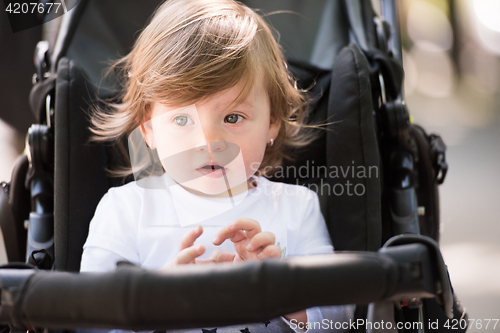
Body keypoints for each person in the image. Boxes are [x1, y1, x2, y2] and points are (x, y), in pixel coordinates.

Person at [80, 0, 353, 331]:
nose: (208, 142)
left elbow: (341, 320)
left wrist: (283, 290)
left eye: (233, 117)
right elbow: (90, 322)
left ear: (272, 123)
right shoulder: (124, 211)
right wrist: (154, 301)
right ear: (148, 128)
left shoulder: (296, 208)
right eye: (182, 119)